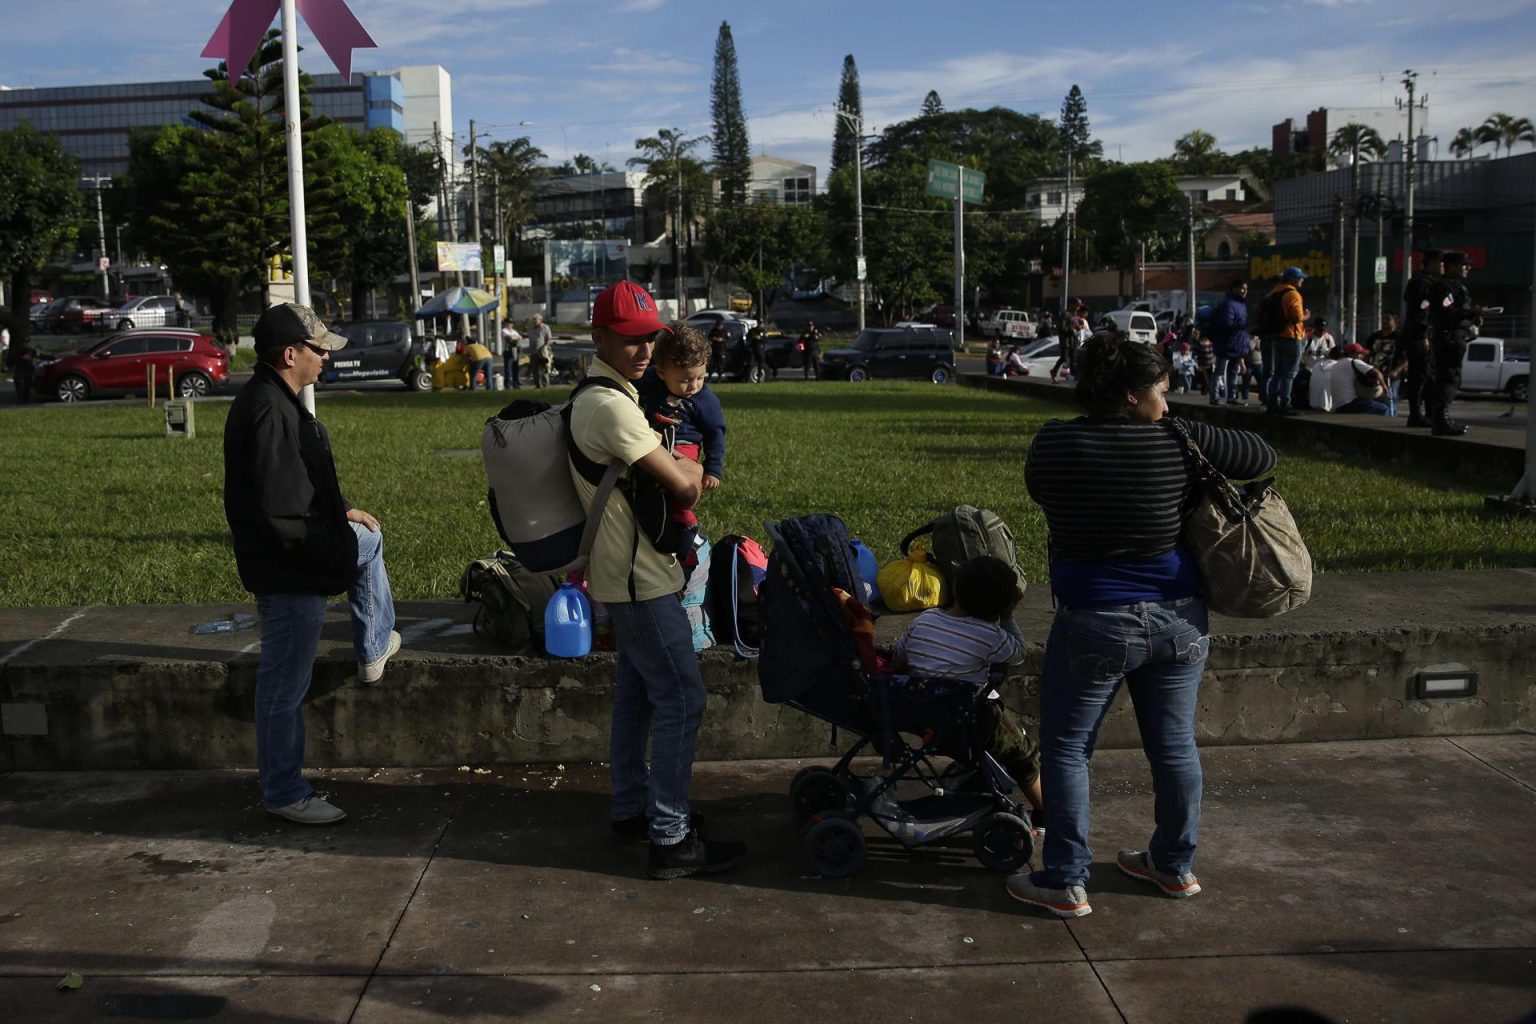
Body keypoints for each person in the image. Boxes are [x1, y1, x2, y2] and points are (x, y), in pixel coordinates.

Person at [1008, 330, 1276, 918]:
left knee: (1069, 747)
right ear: (1131, 395)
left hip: (1094, 621)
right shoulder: (1181, 440)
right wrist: (1187, 435)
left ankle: (1066, 879)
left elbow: (1040, 492)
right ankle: (1173, 866)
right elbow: (1261, 456)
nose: (1168, 401)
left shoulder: (1054, 444)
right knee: (1174, 745)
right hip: (1181, 620)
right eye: (1161, 389)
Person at [569, 280, 746, 879]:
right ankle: (670, 837)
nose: (643, 351)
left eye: (650, 338)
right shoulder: (611, 406)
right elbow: (685, 484)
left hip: (628, 575)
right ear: (600, 337)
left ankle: (629, 810)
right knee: (682, 698)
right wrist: (693, 463)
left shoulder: (616, 392)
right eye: (629, 340)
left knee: (637, 695)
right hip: (641, 581)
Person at [223, 303, 401, 826]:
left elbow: (296, 488)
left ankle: (374, 643)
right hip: (290, 571)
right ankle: (284, 791)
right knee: (283, 687)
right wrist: (336, 555)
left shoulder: (275, 400)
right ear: (290, 354)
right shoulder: (271, 411)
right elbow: (283, 514)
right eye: (318, 348)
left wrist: (341, 513)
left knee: (368, 536)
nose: (326, 357)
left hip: (294, 561)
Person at [888, 555, 1044, 830]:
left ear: (955, 588)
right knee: (1024, 755)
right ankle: (1046, 812)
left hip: (921, 716)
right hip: (972, 722)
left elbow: (899, 658)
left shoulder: (925, 619)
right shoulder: (991, 637)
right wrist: (1007, 617)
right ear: (1000, 606)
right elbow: (1018, 652)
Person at [637, 322, 727, 561]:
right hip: (651, 442)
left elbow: (715, 433)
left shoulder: (704, 399)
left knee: (674, 488)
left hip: (684, 448)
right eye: (686, 380)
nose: (694, 385)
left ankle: (686, 527)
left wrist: (713, 469)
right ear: (662, 373)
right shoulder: (648, 382)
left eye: (700, 377)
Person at [1425, 250, 1480, 436]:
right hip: (1448, 339)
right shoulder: (1444, 287)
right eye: (1464, 265)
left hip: (1457, 338)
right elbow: (1447, 314)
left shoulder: (1457, 286)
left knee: (1453, 378)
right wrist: (1472, 312)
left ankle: (1443, 417)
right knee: (1447, 378)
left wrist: (1475, 318)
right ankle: (1440, 420)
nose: (1468, 268)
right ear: (1454, 266)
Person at [1400, 249, 1443, 428]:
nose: (1442, 267)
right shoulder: (1421, 282)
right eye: (1441, 263)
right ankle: (1416, 415)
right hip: (1420, 335)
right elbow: (1421, 310)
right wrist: (1422, 334)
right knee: (1420, 376)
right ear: (1432, 263)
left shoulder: (1429, 282)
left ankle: (1430, 414)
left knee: (1430, 376)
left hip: (1425, 334)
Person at [1262, 267, 1309, 416]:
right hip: (1291, 337)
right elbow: (1296, 317)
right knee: (1289, 373)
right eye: (1299, 278)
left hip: (1276, 337)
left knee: (1277, 373)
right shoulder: (1293, 294)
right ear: (1292, 279)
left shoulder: (1274, 292)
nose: (1301, 280)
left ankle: (1271, 404)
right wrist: (1306, 316)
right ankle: (1285, 404)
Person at [1208, 280, 1250, 406]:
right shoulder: (1228, 304)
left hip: (1237, 344)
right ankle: (1214, 397)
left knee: (1234, 372)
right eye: (1242, 288)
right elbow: (1226, 323)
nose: (1244, 291)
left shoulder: (1241, 304)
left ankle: (1231, 397)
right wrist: (1243, 324)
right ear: (1234, 289)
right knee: (1220, 370)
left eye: (1246, 288)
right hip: (1226, 343)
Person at [1328, 343, 1389, 415]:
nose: (1362, 356)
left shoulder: (1336, 364)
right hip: (1350, 404)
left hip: (1337, 406)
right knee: (1383, 408)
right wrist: (1385, 388)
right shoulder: (1353, 362)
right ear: (1351, 353)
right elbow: (1377, 372)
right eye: (1359, 353)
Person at [1367, 312, 1401, 418]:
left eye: (1388, 319)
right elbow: (1367, 354)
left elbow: (1407, 358)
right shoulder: (1374, 337)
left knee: (1391, 398)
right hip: (1376, 374)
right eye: (1383, 319)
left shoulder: (1399, 337)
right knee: (1375, 399)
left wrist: (1396, 371)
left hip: (1391, 375)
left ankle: (1390, 419)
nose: (1384, 321)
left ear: (1395, 323)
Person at [528, 314, 553, 389]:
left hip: (542, 352)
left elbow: (549, 338)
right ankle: (537, 385)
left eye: (536, 319)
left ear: (540, 320)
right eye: (533, 319)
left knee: (544, 368)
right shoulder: (531, 328)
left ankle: (545, 384)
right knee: (534, 369)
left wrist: (546, 346)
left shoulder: (545, 327)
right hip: (533, 351)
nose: (534, 321)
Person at [501, 321, 524, 389]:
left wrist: (515, 337)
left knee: (515, 368)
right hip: (508, 351)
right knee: (508, 368)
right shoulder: (504, 330)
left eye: (511, 323)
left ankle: (515, 384)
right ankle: (507, 385)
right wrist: (515, 337)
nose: (510, 324)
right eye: (508, 323)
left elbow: (520, 337)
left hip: (515, 350)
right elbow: (509, 337)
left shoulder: (514, 331)